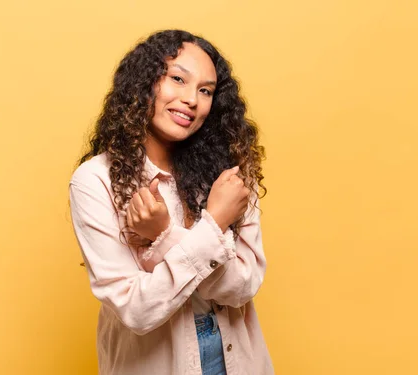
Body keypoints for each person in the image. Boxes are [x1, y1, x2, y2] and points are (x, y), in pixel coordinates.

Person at [69, 29, 273, 375]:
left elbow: (243, 286)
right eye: (178, 79)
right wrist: (214, 226)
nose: (192, 99)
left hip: (238, 357)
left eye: (205, 90)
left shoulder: (229, 178)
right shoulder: (95, 181)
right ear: (144, 83)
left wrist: (164, 235)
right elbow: (137, 308)